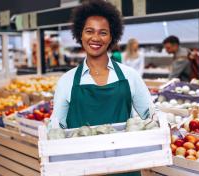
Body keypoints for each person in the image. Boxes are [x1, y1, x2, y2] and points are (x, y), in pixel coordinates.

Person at [49, 1, 152, 175]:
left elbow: (150, 115)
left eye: (103, 32)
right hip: (81, 168)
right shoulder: (66, 81)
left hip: (124, 166)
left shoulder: (130, 76)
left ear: (112, 37)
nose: (95, 38)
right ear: (80, 35)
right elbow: (56, 127)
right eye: (89, 31)